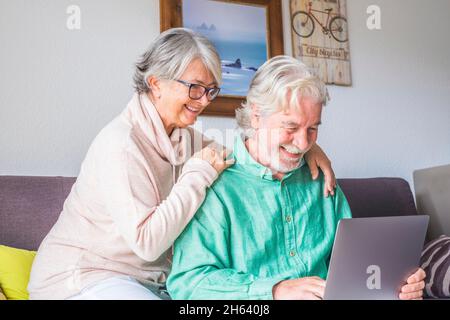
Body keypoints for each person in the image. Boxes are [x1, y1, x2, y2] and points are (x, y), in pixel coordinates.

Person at [27, 29, 337, 300]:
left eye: (210, 90)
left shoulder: (182, 136)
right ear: (156, 83)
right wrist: (197, 174)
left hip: (145, 282)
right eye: (195, 87)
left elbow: (244, 153)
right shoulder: (120, 145)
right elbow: (147, 244)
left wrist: (305, 146)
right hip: (83, 277)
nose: (203, 100)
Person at [166, 55, 426, 300]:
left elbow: (358, 269)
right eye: (291, 128)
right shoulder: (216, 184)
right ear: (256, 116)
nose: (303, 144)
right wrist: (275, 290)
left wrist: (396, 284)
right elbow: (187, 284)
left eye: (312, 129)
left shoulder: (321, 179)